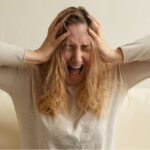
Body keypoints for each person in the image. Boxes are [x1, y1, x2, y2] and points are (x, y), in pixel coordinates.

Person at [0, 6, 150, 149]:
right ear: (54, 48)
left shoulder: (114, 76)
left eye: (85, 47)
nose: (77, 59)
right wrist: (36, 55)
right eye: (67, 47)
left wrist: (114, 54)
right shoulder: (28, 79)